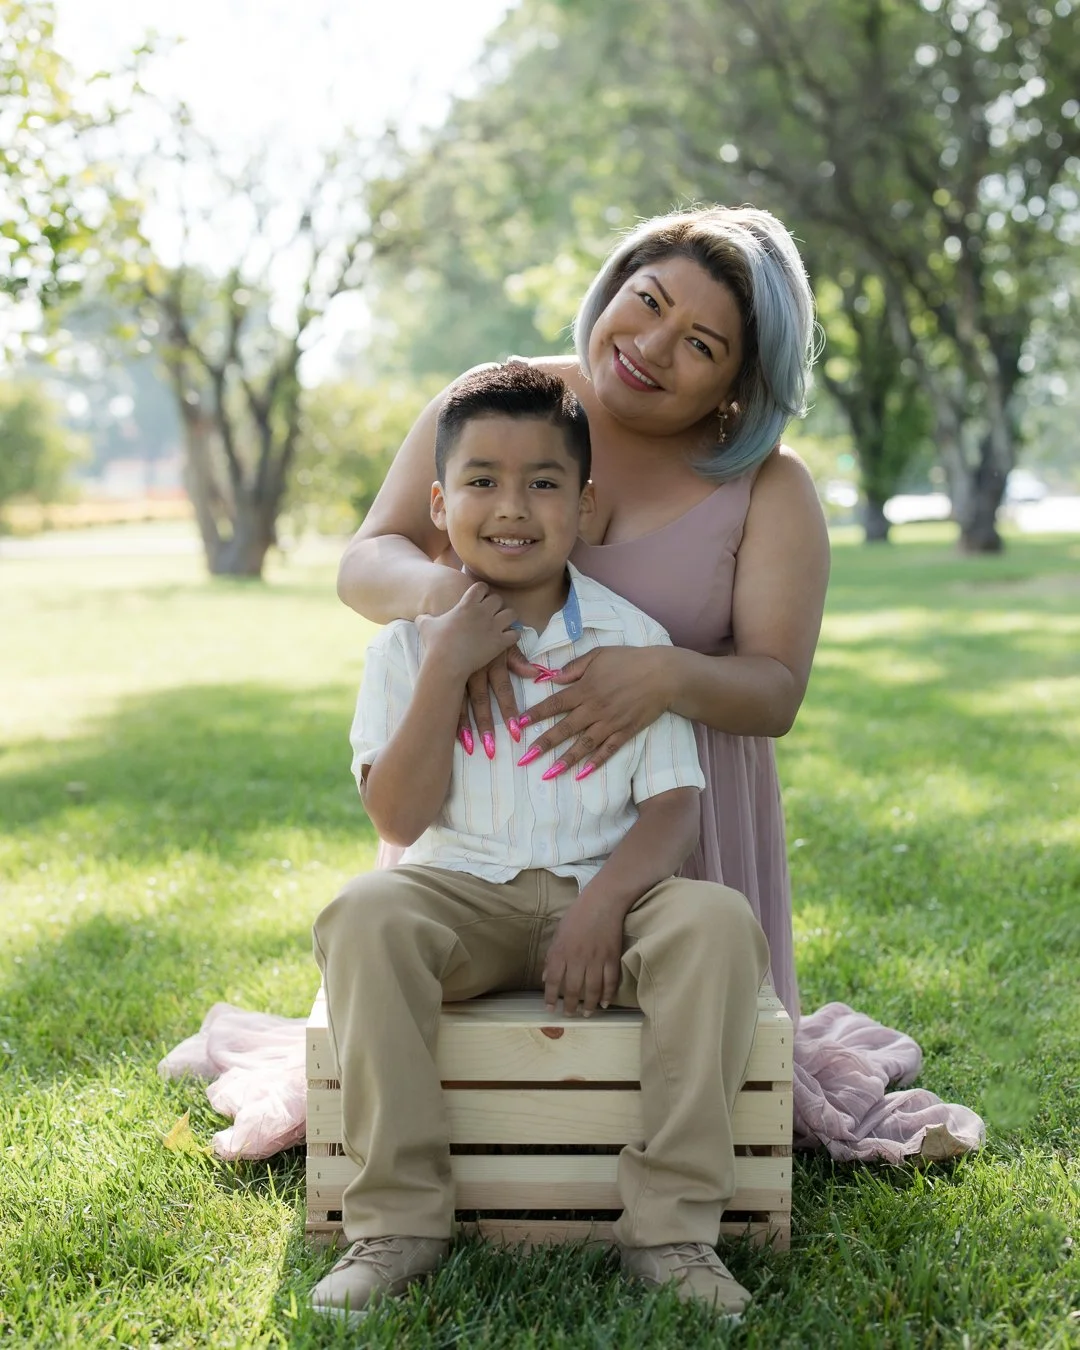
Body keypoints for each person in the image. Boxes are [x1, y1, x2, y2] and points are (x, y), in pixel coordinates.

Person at [336, 203, 984, 1163]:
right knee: (421, 992)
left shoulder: (769, 486)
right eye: (646, 301)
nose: (649, 345)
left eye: (700, 344)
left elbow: (776, 691)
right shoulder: (503, 404)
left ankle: (676, 1187)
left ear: (740, 382)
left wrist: (665, 674)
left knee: (692, 990)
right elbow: (365, 561)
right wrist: (453, 605)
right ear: (614, 286)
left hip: (671, 824)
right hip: (484, 814)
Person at [311, 361, 771, 1323]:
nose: (511, 507)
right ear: (439, 505)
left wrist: (602, 906)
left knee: (717, 922)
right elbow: (397, 820)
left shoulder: (631, 639)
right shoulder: (402, 649)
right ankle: (397, 1222)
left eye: (544, 482)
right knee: (363, 912)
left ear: (585, 505)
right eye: (481, 480)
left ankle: (673, 1230)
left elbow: (673, 809)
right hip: (459, 898)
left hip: (609, 898)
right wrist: (446, 667)